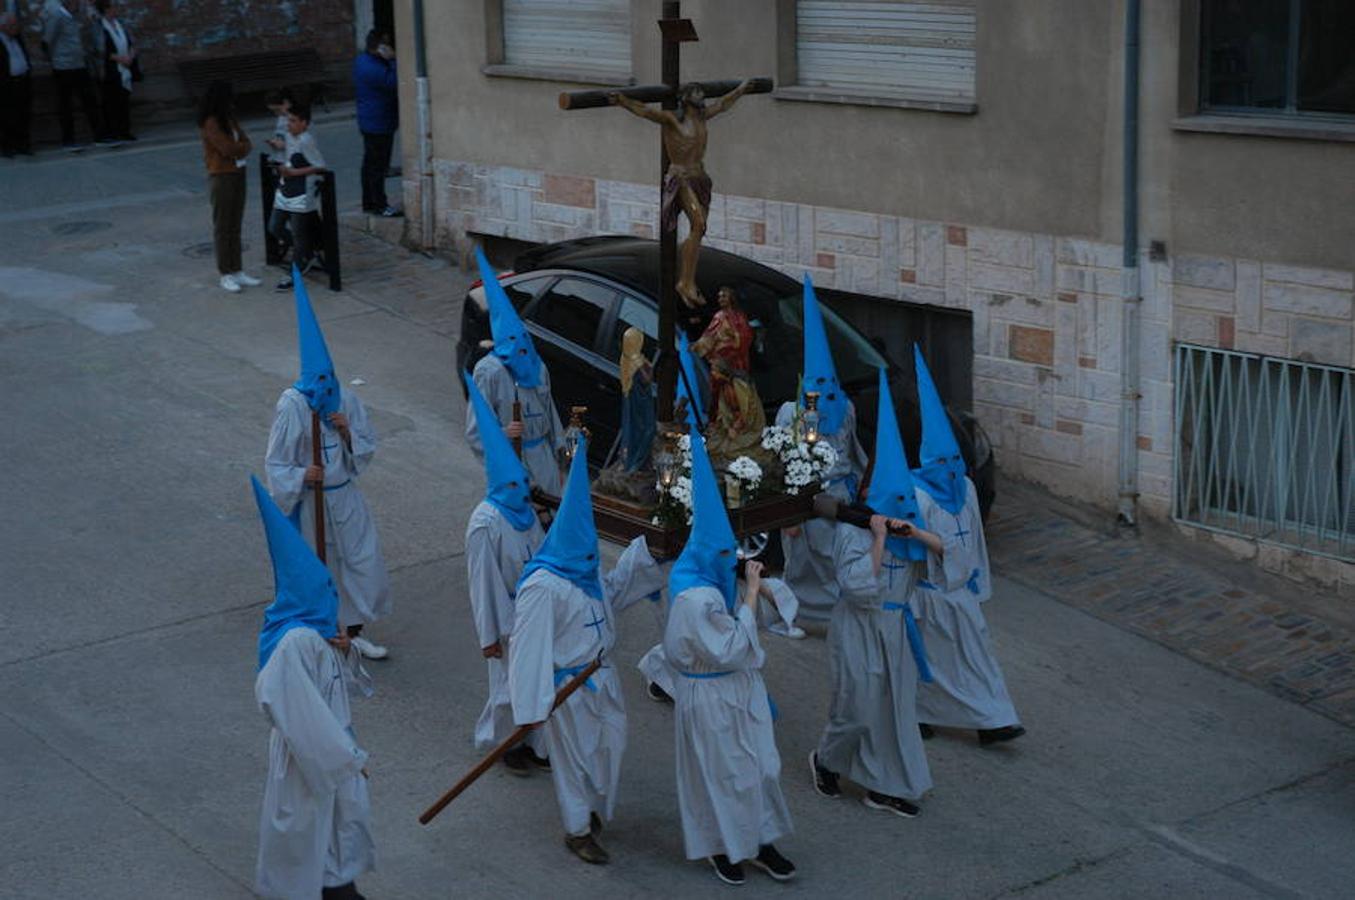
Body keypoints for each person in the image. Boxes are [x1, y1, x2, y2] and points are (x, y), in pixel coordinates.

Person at [509, 437, 664, 865]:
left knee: (607, 749)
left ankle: (591, 810)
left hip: (602, 677)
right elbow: (528, 647)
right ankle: (576, 828)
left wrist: (644, 560)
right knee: (573, 760)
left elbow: (610, 594)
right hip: (569, 687)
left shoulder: (585, 566)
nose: (589, 556)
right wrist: (532, 707)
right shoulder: (543, 586)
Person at [810, 368, 944, 819]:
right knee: (857, 708)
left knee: (892, 712)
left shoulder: (912, 530)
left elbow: (947, 563)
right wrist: (878, 538)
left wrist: (917, 535)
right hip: (859, 626)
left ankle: (882, 784)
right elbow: (855, 587)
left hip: (896, 629)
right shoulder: (854, 534)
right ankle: (826, 761)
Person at [663, 430, 796, 885]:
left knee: (759, 767)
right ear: (704, 552)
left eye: (730, 551)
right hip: (711, 693)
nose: (729, 559)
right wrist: (753, 594)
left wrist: (762, 591)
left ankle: (760, 840)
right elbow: (732, 646)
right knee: (720, 775)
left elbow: (753, 623)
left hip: (739, 690)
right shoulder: (695, 597)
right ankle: (720, 846)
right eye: (722, 553)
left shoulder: (716, 580)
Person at [249, 475, 375, 900]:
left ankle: (338, 886)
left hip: (326, 756)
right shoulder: (296, 641)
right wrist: (344, 757)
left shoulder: (315, 636)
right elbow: (288, 703)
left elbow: (342, 687)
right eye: (325, 589)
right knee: (306, 834)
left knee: (331, 832)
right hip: (311, 759)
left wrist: (343, 650)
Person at [266, 276, 392, 661]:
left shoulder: (346, 400)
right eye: (317, 383)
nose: (324, 389)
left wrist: (347, 433)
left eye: (329, 381)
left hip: (344, 496)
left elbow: (367, 448)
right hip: (312, 500)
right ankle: (326, 631)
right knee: (323, 566)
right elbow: (276, 462)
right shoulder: (293, 406)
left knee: (362, 561)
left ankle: (354, 633)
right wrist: (303, 475)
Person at [910, 346, 1025, 745]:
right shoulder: (918, 494)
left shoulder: (968, 489)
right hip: (929, 594)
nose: (950, 470)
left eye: (954, 461)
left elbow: (975, 536)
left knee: (978, 659)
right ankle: (920, 712)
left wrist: (980, 581)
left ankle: (995, 719)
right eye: (941, 462)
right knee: (929, 662)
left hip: (962, 591)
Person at [463, 371, 549, 774]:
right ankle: (504, 743)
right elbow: (483, 583)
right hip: (506, 616)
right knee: (508, 687)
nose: (521, 490)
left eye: (523, 483)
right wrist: (489, 636)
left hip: (531, 609)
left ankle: (531, 741)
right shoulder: (486, 523)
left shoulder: (525, 513)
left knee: (532, 680)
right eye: (513, 483)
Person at [777, 275, 869, 618]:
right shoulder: (791, 413)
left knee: (836, 559)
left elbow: (853, 450)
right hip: (805, 500)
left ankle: (840, 610)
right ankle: (792, 612)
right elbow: (783, 460)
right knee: (799, 562)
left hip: (839, 499)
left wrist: (860, 485)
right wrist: (788, 508)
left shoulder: (846, 409)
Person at [466, 246, 565, 496]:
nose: (520, 348)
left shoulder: (537, 367)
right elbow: (477, 429)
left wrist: (561, 451)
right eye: (512, 340)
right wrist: (503, 434)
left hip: (543, 459)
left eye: (523, 338)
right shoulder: (489, 372)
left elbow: (549, 410)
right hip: (511, 461)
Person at [197, 81, 260, 293]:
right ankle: (225, 273)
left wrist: (240, 148)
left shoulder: (229, 119)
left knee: (235, 223)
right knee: (223, 226)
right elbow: (227, 148)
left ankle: (238, 269)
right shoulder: (211, 122)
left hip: (238, 173)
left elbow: (246, 142)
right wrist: (240, 148)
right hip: (222, 176)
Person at [691, 285, 765, 458]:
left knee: (739, 396)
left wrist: (735, 342)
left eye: (724, 296)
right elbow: (709, 336)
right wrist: (698, 346)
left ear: (731, 298)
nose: (720, 299)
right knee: (719, 395)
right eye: (719, 297)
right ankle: (721, 425)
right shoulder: (719, 317)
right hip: (722, 359)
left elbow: (746, 337)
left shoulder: (740, 317)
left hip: (736, 362)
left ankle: (738, 427)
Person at [270, 100, 327, 291]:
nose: (289, 124)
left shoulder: (306, 140)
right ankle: (305, 252)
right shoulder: (290, 136)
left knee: (298, 231)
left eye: (293, 121)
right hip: (286, 188)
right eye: (289, 120)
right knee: (275, 226)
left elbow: (319, 165)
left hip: (302, 191)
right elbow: (287, 152)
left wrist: (294, 173)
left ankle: (296, 268)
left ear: (304, 123)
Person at [42, 0, 106, 149]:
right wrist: (57, 58)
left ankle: (100, 136)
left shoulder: (76, 16)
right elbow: (47, 40)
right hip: (63, 67)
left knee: (89, 100)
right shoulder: (57, 16)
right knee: (65, 104)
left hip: (80, 64)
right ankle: (68, 140)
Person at [353, 29, 400, 217]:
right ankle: (380, 205)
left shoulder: (362, 61)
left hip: (370, 120)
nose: (390, 47)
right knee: (378, 167)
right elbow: (394, 81)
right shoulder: (373, 68)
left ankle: (369, 202)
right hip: (378, 122)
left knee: (370, 164)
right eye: (387, 45)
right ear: (380, 47)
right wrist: (393, 60)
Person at [91, 1, 136, 142]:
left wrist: (130, 56)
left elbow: (132, 42)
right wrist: (119, 58)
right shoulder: (98, 27)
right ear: (106, 9)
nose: (116, 9)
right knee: (110, 101)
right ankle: (112, 131)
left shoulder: (121, 23)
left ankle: (125, 130)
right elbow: (98, 49)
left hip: (125, 66)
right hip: (110, 68)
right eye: (113, 7)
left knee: (124, 100)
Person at [617, 326, 655, 472]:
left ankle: (636, 462)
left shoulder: (628, 356)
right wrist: (642, 364)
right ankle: (634, 463)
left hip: (636, 399)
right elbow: (647, 379)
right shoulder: (633, 360)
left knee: (636, 429)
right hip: (638, 401)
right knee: (643, 430)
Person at [0, 12, 33, 158]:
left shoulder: (18, 38)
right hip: (7, 84)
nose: (16, 28)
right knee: (7, 116)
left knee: (23, 115)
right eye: (12, 25)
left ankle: (23, 145)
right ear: (3, 27)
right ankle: (7, 146)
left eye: (16, 24)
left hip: (23, 81)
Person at [264, 88, 293, 165]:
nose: (276, 113)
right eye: (273, 111)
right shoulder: (281, 118)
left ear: (286, 103)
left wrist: (285, 145)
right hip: (283, 161)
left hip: (294, 163)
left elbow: (306, 143)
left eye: (277, 109)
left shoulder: (297, 119)